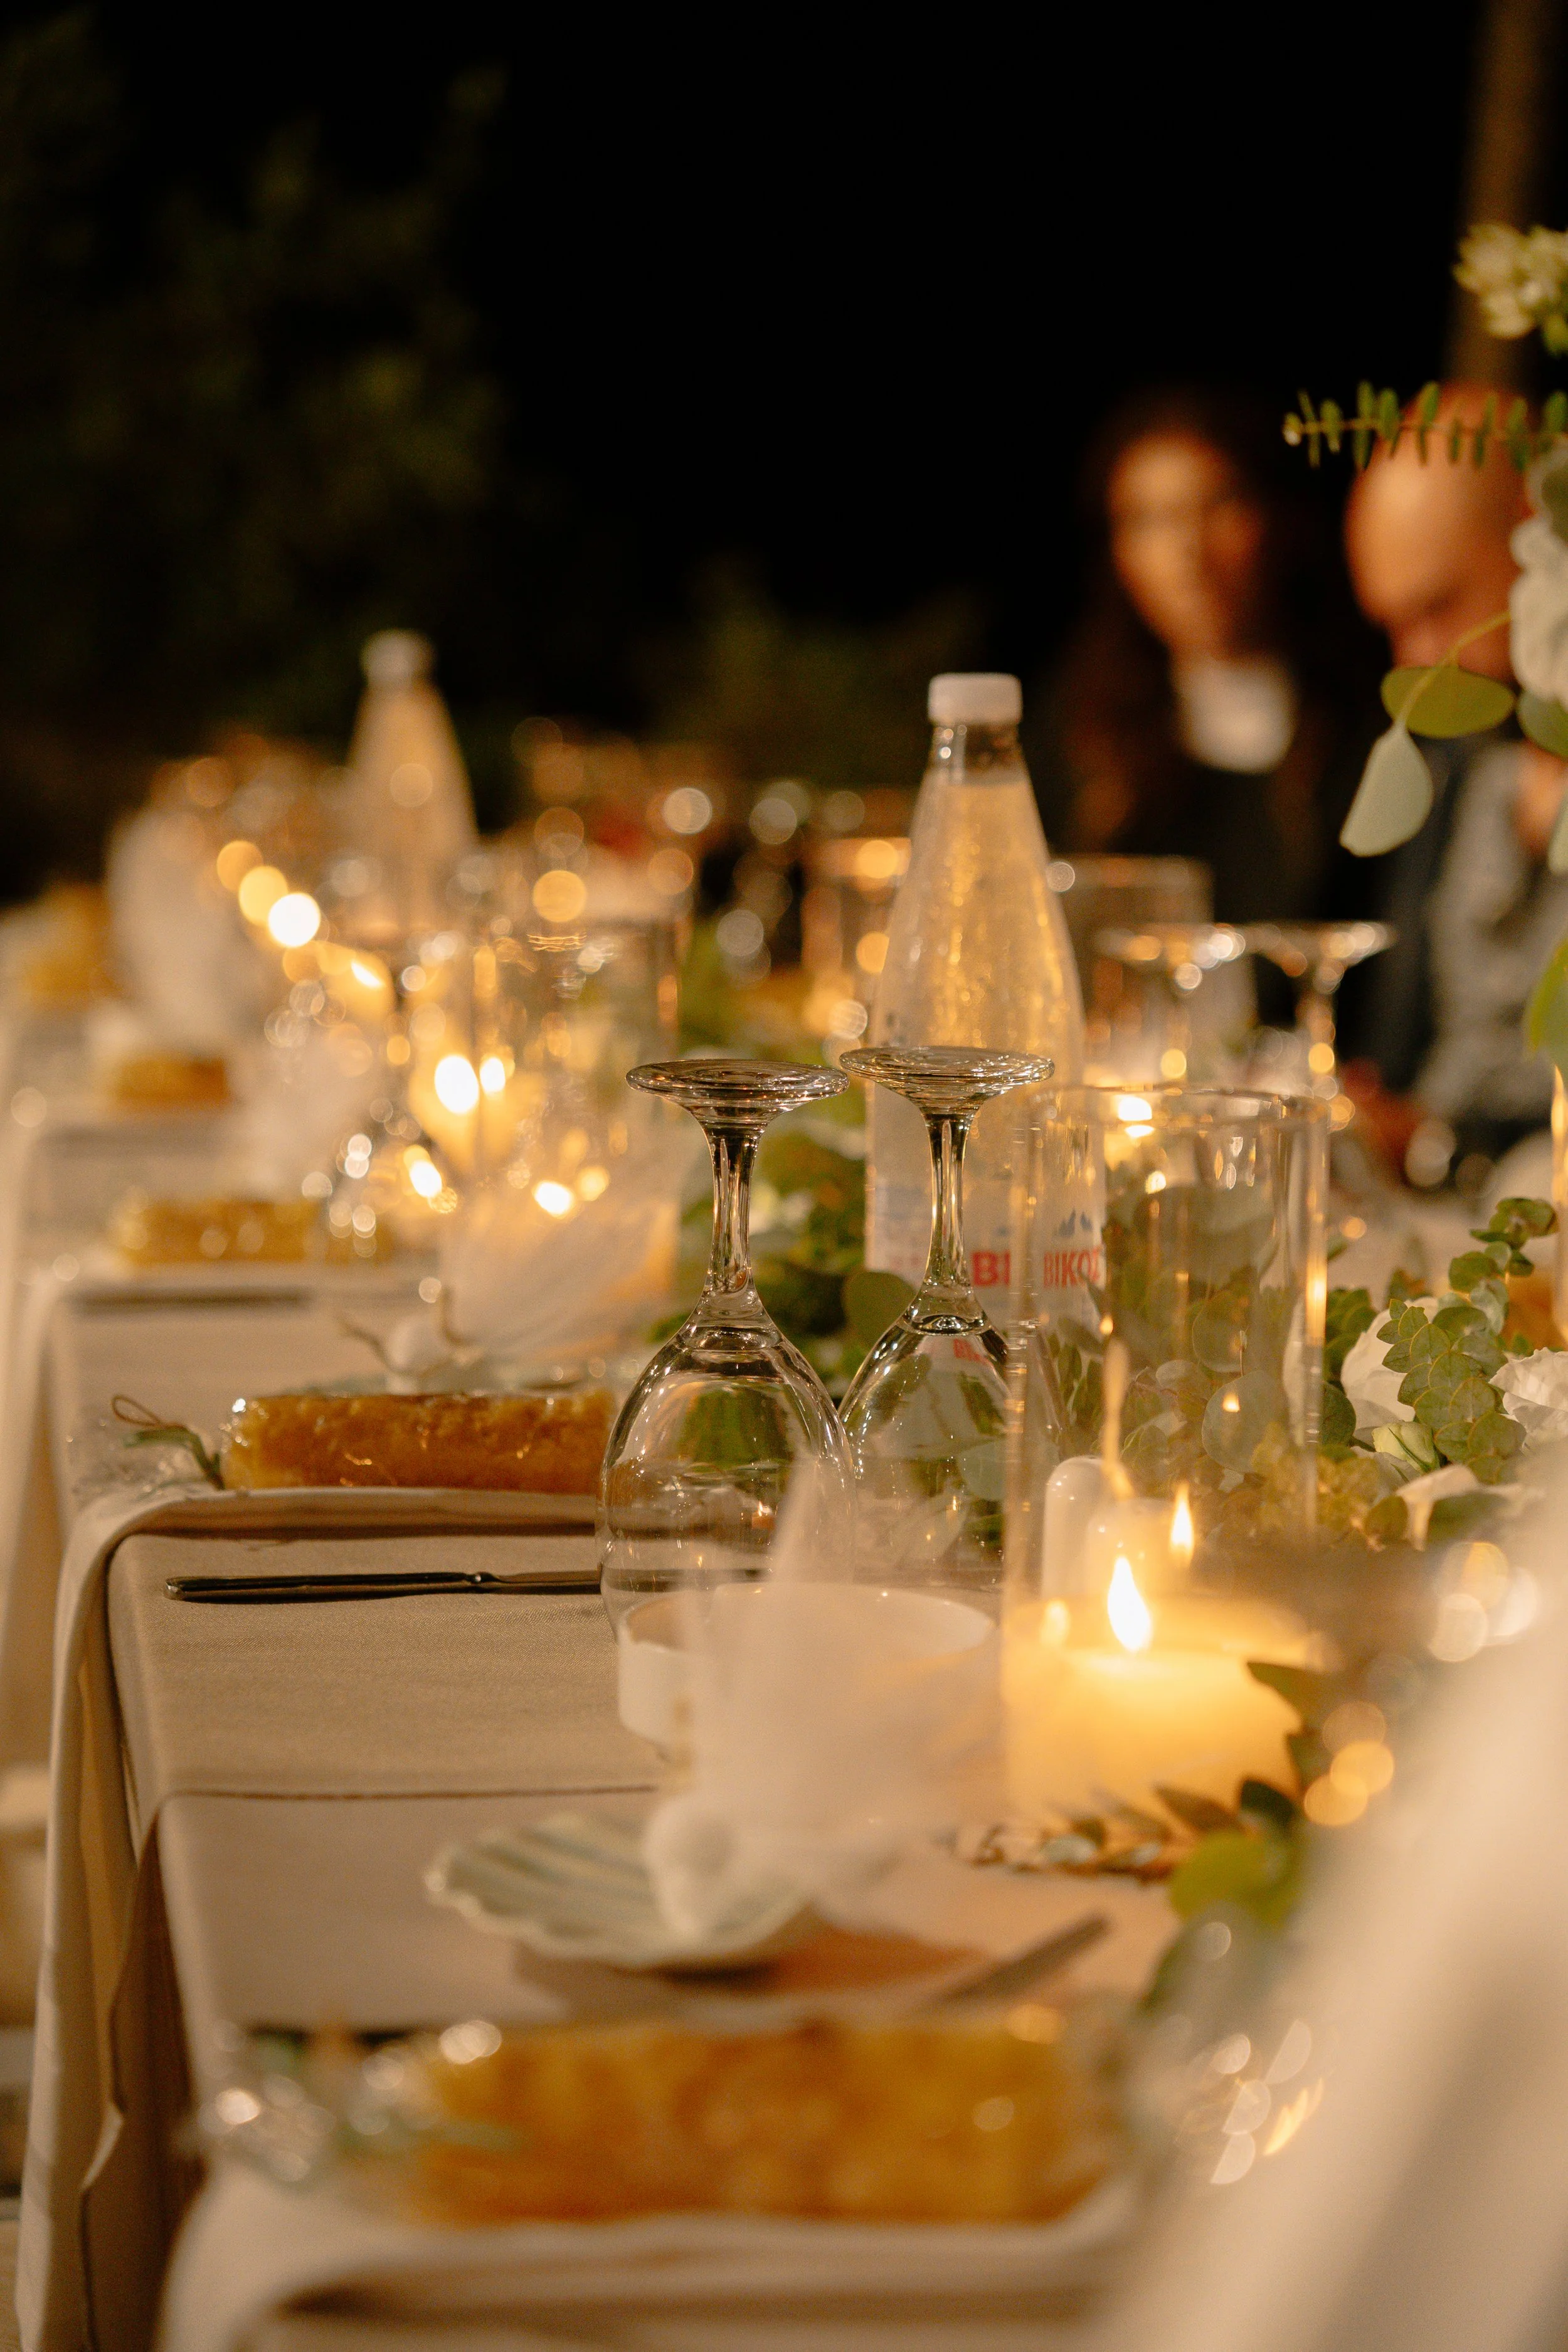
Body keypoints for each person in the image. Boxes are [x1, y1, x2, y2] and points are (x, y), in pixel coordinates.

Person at [1034, 388, 1380, 924]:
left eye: (1217, 505)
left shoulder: (1363, 728)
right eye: (1148, 520)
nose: (1187, 551)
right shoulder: (1082, 738)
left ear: (1275, 518)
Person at [1340, 385, 1568, 1179]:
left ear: (1542, 539)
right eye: (1393, 625)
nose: (1415, 663)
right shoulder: (1464, 762)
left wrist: (1439, 1150)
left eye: (1436, 607)